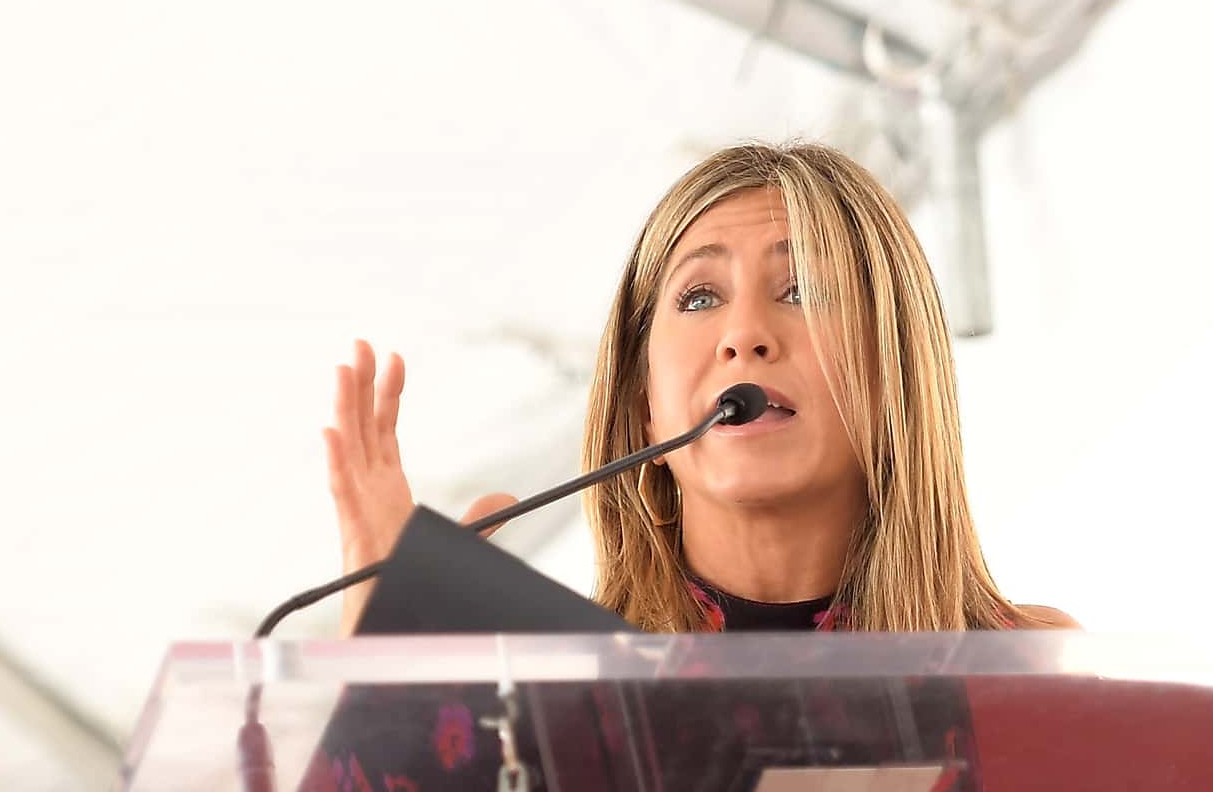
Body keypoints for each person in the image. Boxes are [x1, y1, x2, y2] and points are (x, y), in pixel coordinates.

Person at [322, 140, 1070, 632]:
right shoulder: (547, 697)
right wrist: (386, 688)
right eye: (699, 297)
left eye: (803, 287)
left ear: (898, 373)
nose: (744, 334)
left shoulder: (1027, 667)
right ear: (642, 406)